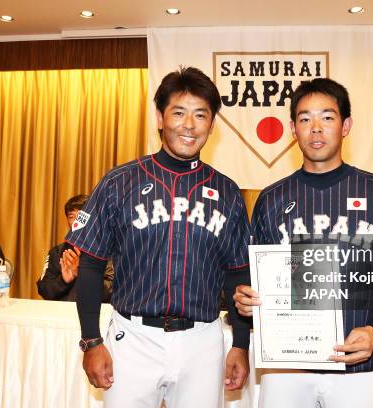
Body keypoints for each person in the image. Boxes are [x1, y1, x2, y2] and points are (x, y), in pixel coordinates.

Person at [66, 67, 252, 407]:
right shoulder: (119, 182)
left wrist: (240, 343)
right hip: (133, 337)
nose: (189, 124)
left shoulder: (227, 192)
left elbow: (238, 274)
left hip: (203, 339)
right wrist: (91, 341)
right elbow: (90, 266)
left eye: (200, 115)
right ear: (160, 117)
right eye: (179, 112)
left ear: (212, 124)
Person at [234, 78, 373, 407]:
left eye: (327, 117)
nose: (316, 129)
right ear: (293, 129)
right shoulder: (271, 199)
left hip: (357, 367)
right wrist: (245, 297)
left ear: (346, 125)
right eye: (305, 119)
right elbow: (255, 278)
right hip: (287, 367)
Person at [37, 194, 114, 302]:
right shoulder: (57, 252)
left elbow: (113, 291)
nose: (76, 222)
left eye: (81, 217)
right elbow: (44, 290)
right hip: (60, 314)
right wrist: (63, 281)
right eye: (71, 217)